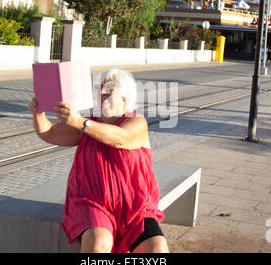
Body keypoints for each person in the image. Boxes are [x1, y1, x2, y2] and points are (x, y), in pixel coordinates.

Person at [28, 69, 169, 253]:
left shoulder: (136, 122)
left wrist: (81, 122)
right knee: (98, 243)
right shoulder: (87, 124)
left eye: (111, 88)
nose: (103, 92)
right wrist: (38, 114)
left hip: (135, 206)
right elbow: (50, 133)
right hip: (92, 203)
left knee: (156, 248)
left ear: (125, 97)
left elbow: (120, 138)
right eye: (101, 87)